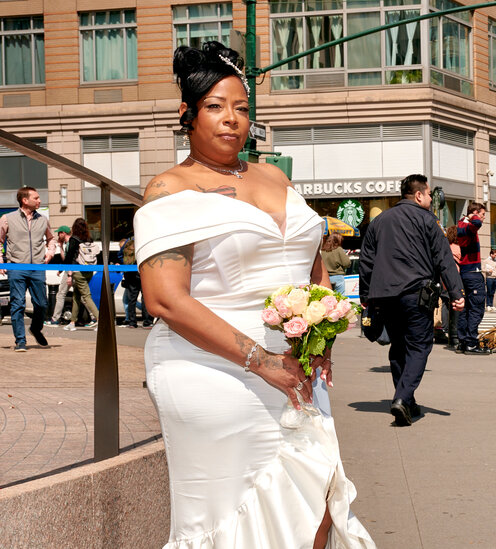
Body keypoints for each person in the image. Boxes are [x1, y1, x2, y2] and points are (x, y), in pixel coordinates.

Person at [134, 42, 375, 548]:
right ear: (188, 114)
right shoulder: (170, 188)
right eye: (216, 107)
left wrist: (322, 330)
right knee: (235, 514)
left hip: (295, 361)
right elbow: (164, 300)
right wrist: (259, 359)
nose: (231, 120)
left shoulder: (273, 175)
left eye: (241, 108)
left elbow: (310, 260)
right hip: (210, 366)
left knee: (316, 506)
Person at [359, 174, 465, 426]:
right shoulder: (429, 220)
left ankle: (407, 400)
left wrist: (366, 296)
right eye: (429, 194)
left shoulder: (379, 221)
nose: (430, 198)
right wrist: (456, 293)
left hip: (385, 296)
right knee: (419, 345)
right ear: (419, 195)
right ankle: (403, 398)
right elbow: (443, 259)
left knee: (398, 347)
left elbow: (366, 261)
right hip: (416, 293)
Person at [0, 186, 55, 351]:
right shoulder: (7, 219)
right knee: (18, 304)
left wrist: (50, 253)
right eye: (36, 198)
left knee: (42, 304)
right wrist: (1, 260)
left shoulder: (43, 220)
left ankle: (36, 329)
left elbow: (51, 238)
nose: (39, 200)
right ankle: (20, 341)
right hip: (16, 266)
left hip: (37, 267)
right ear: (25, 200)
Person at [455, 202, 489, 354]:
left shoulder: (461, 225)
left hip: (464, 273)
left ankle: (463, 341)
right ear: (474, 212)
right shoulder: (468, 226)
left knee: (465, 309)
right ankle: (471, 343)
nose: (483, 218)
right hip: (473, 273)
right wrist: (474, 216)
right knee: (476, 309)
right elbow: (476, 223)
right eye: (482, 214)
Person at [63, 218, 100, 332]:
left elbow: (69, 256)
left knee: (86, 296)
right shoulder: (89, 239)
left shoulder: (74, 239)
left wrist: (62, 268)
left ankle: (101, 321)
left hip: (78, 270)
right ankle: (72, 322)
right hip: (89, 270)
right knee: (76, 296)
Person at [46, 225, 72, 327]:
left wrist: (69, 274)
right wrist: (60, 247)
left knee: (60, 294)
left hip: (71, 271)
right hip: (71, 271)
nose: (57, 235)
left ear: (63, 233)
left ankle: (55, 319)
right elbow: (65, 259)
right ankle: (95, 317)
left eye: (59, 233)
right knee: (82, 296)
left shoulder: (71, 243)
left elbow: (70, 261)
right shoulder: (68, 244)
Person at [118, 232, 145, 328]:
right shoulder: (145, 240)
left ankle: (132, 322)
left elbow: (120, 255)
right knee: (145, 297)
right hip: (144, 272)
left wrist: (127, 264)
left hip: (131, 274)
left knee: (131, 299)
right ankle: (147, 322)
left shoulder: (129, 241)